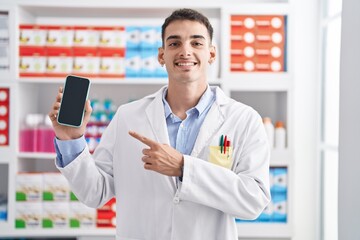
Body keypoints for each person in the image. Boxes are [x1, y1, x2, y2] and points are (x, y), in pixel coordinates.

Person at [49, 8, 271, 240]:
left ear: (211, 54)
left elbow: (254, 201)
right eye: (174, 44)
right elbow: (95, 193)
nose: (185, 51)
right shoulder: (128, 116)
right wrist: (71, 139)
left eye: (196, 43)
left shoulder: (243, 119)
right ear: (161, 55)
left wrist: (185, 168)